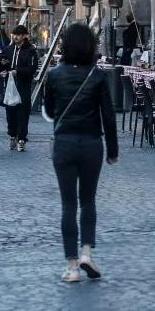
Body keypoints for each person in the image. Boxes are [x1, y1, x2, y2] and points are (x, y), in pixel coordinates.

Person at [44, 23, 118, 283]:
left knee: (68, 204)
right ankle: (87, 252)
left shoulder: (53, 75)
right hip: (91, 144)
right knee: (88, 201)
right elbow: (108, 116)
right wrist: (113, 150)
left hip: (64, 143)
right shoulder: (97, 76)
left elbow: (50, 111)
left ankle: (72, 266)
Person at [2, 25, 38, 152]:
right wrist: (3, 67)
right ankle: (12, 135)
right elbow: (2, 63)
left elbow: (32, 69)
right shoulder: (9, 49)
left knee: (23, 112)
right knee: (10, 111)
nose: (15, 37)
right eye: (14, 34)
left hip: (23, 85)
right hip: (10, 85)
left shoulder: (31, 50)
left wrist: (18, 71)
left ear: (24, 36)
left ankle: (21, 138)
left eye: (18, 35)